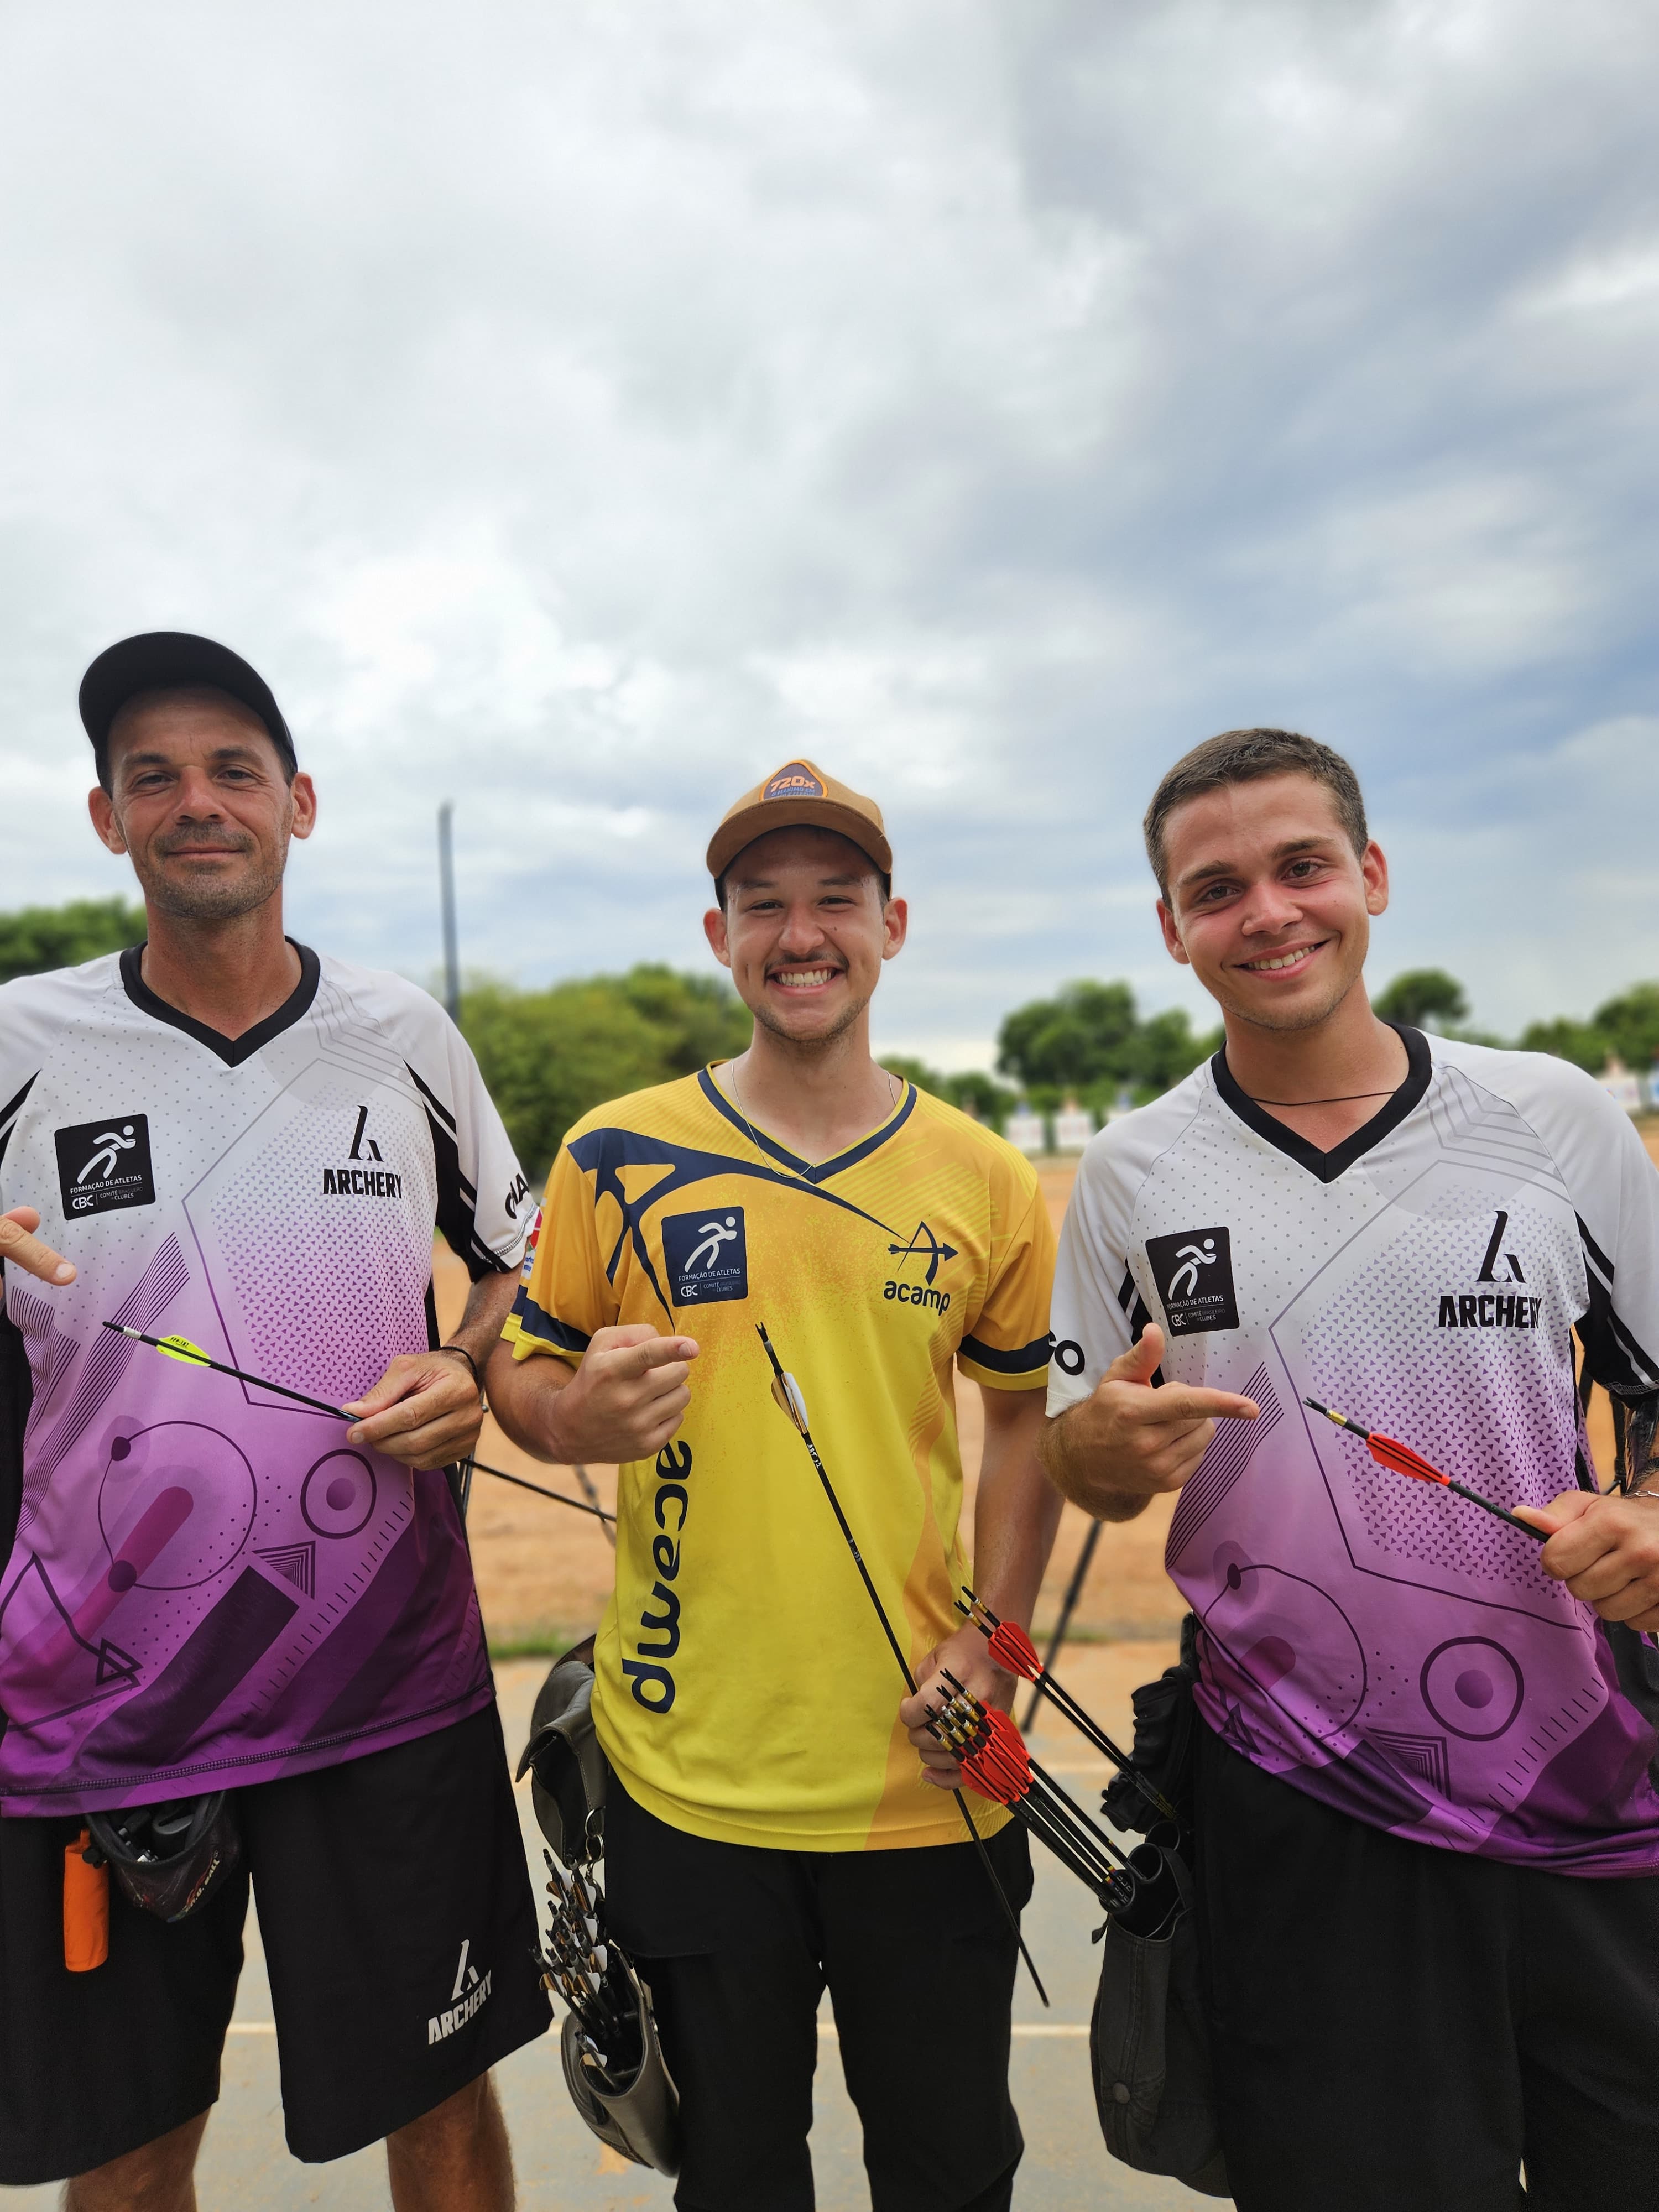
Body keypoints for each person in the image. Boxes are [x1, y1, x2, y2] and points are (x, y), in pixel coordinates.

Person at [1040, 726, 1659, 2211]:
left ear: (1371, 875)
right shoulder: (1130, 1173)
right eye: (1217, 889)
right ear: (1173, 929)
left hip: (1590, 1775)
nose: (1268, 912)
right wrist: (1098, 1451)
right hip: (1300, 1794)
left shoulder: (1555, 1117)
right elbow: (1084, 1456)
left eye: (1302, 866)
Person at [0, 634, 546, 2209]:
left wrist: (467, 1368)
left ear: (297, 804)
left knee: (441, 2110)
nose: (198, 803)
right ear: (106, 819)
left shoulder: (403, 1035)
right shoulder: (21, 1043)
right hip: (102, 1707)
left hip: (385, 1683)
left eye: (234, 770)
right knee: (125, 2156)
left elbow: (514, 1265)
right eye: (154, 776)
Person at [488, 759, 1061, 2212]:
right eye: (763, 905)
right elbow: (525, 1379)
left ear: (894, 925)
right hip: (687, 1778)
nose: (800, 935)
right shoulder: (614, 1154)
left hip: (938, 1765)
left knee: (954, 2171)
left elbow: (1025, 1427)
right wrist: (570, 1414)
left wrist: (994, 1649)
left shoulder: (986, 1177)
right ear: (719, 935)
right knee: (735, 2177)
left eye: (836, 901)